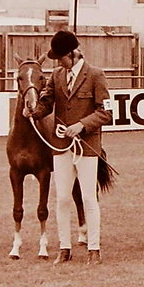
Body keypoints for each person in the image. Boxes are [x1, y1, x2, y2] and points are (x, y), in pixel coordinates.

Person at [26, 30, 112, 265]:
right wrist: (33, 111)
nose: (59, 63)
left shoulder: (96, 75)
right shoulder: (56, 75)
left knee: (88, 198)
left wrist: (81, 125)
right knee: (62, 198)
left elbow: (106, 112)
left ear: (73, 54)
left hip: (87, 146)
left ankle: (94, 248)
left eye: (62, 58)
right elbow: (46, 103)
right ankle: (64, 248)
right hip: (61, 146)